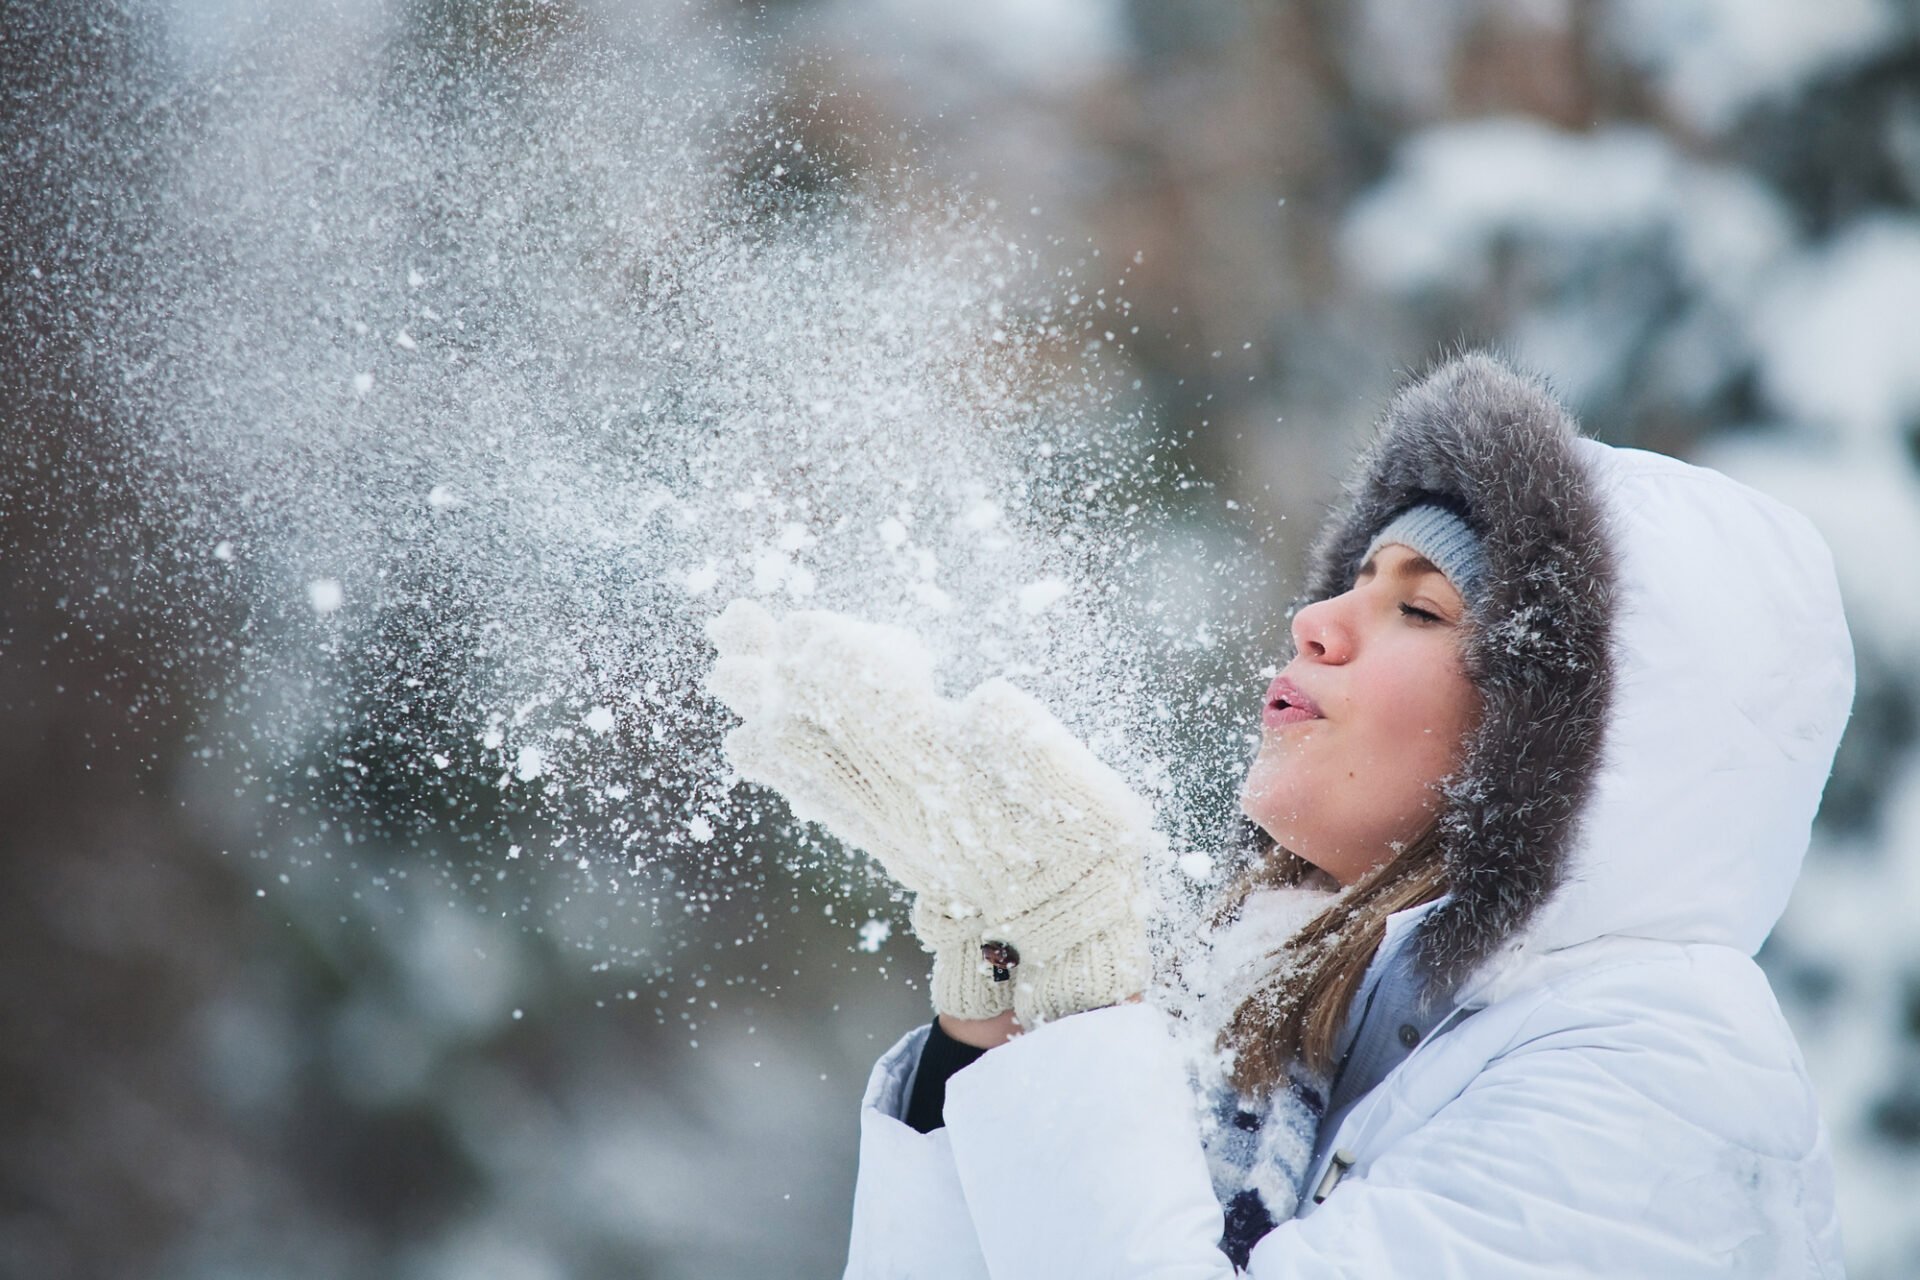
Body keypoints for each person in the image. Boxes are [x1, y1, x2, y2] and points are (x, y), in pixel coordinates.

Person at [706, 351, 1855, 1277]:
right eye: (1354, 575)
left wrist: (1081, 990)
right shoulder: (1317, 1023)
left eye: (1418, 605)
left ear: (1559, 737)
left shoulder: (1655, 1080)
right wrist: (998, 1009)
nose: (1317, 616)